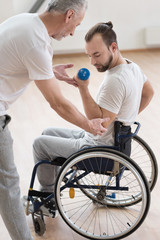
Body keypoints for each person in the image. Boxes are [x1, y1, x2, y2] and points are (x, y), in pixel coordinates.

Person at [0, 1, 109, 239]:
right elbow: (57, 103)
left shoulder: (24, 22)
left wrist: (49, 71)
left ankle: (17, 206)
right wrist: (88, 125)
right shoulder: (37, 43)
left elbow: (16, 59)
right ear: (69, 15)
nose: (71, 33)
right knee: (7, 184)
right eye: (76, 25)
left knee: (6, 183)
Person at [32, 21, 154, 199]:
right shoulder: (132, 67)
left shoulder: (115, 81)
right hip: (117, 144)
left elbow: (97, 123)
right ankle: (55, 181)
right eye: (89, 55)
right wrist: (127, 117)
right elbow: (149, 93)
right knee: (48, 132)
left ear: (113, 47)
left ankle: (47, 195)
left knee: (39, 144)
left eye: (97, 55)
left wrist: (83, 88)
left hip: (99, 149)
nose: (92, 62)